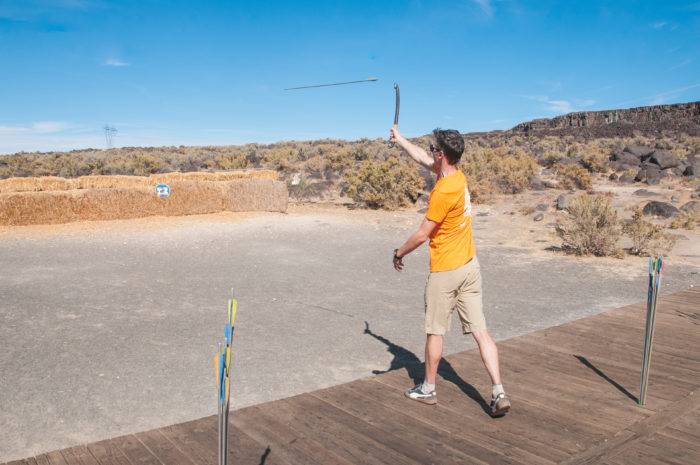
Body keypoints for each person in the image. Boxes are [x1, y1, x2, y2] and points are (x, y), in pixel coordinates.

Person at [389, 127, 510, 417]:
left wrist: (399, 252)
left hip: (445, 270)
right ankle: (498, 391)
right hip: (470, 267)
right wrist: (400, 138)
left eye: (433, 148)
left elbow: (422, 234)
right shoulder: (456, 176)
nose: (430, 150)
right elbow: (421, 158)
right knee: (481, 332)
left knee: (435, 332)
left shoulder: (442, 191)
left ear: (442, 154)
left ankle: (428, 388)